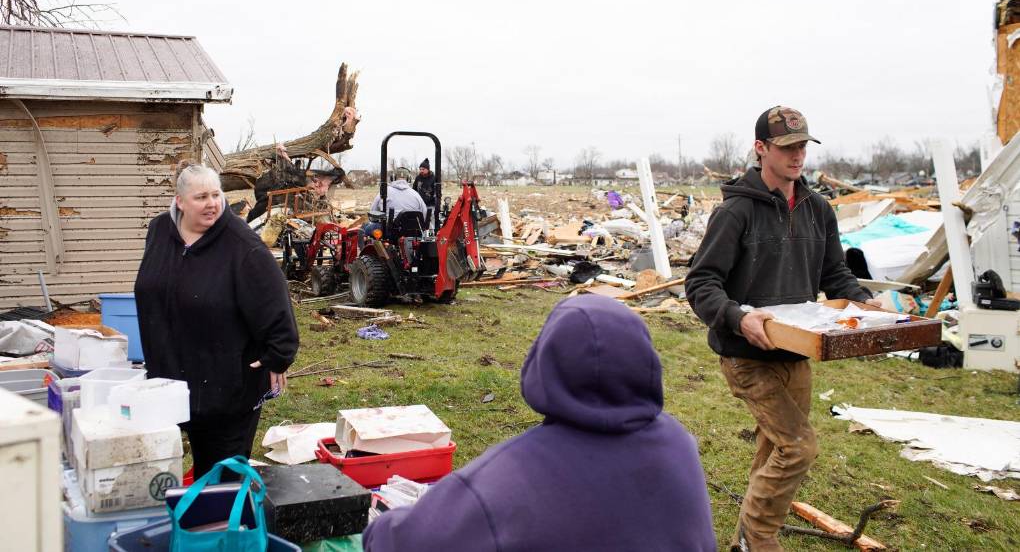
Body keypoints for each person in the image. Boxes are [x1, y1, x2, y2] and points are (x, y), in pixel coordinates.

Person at [363, 295, 716, 552]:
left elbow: (406, 542)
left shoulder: (510, 477)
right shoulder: (678, 442)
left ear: (542, 362)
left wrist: (377, 528)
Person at [685, 106, 878, 552]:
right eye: (788, 147)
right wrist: (739, 317)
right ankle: (761, 540)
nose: (798, 155)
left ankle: (741, 544)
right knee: (798, 448)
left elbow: (836, 275)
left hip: (796, 352)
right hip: (747, 354)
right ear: (761, 148)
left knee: (773, 452)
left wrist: (867, 301)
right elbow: (701, 282)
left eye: (803, 146)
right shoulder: (736, 212)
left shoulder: (818, 209)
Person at [135, 163, 299, 480]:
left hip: (225, 386)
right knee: (159, 469)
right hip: (169, 376)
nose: (211, 203)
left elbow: (273, 300)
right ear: (180, 201)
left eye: (216, 194)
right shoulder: (159, 231)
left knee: (220, 479)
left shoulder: (242, 247)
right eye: (201, 197)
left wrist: (278, 355)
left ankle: (223, 528)